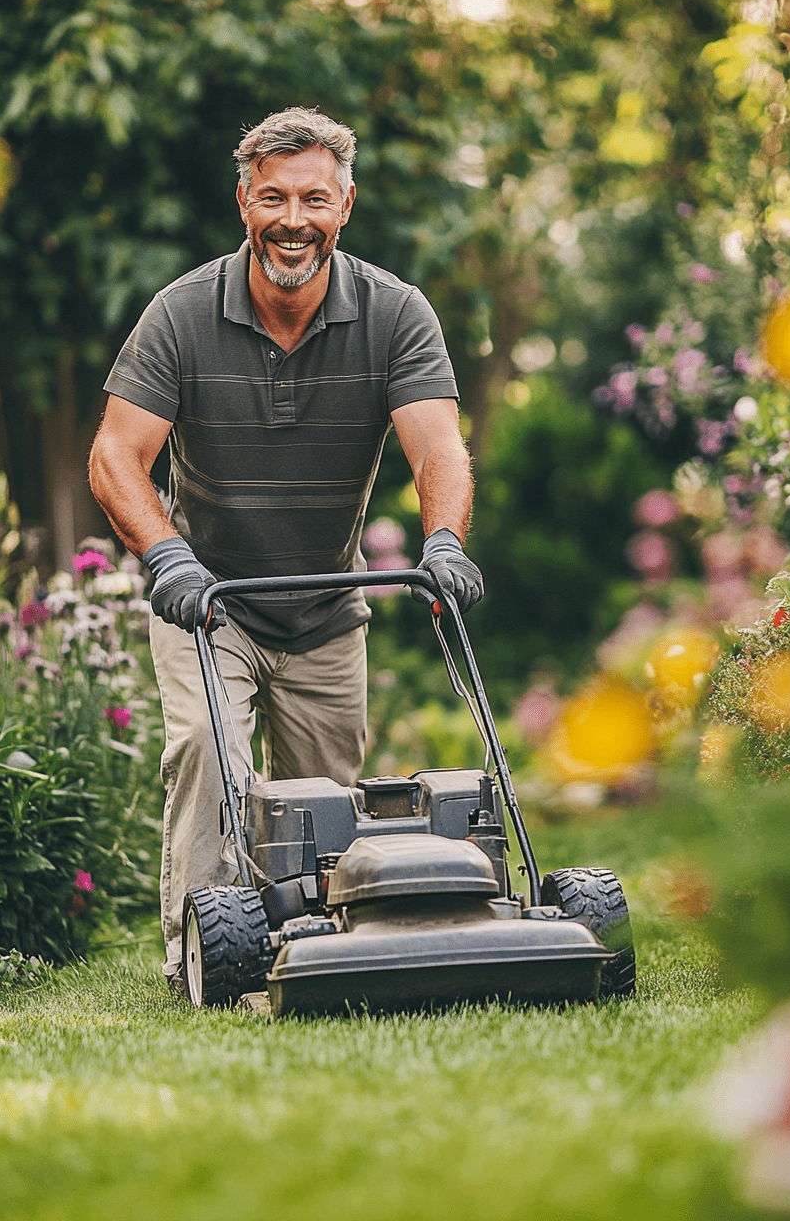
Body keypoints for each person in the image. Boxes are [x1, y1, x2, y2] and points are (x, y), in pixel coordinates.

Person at [88, 106, 483, 986]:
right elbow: (117, 455)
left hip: (326, 609)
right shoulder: (181, 315)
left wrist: (446, 543)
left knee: (323, 805)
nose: (292, 220)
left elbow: (437, 448)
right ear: (244, 203)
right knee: (205, 749)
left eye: (313, 199)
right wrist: (166, 558)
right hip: (208, 600)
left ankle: (315, 953)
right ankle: (201, 957)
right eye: (273, 198)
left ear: (345, 206)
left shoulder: (397, 314)